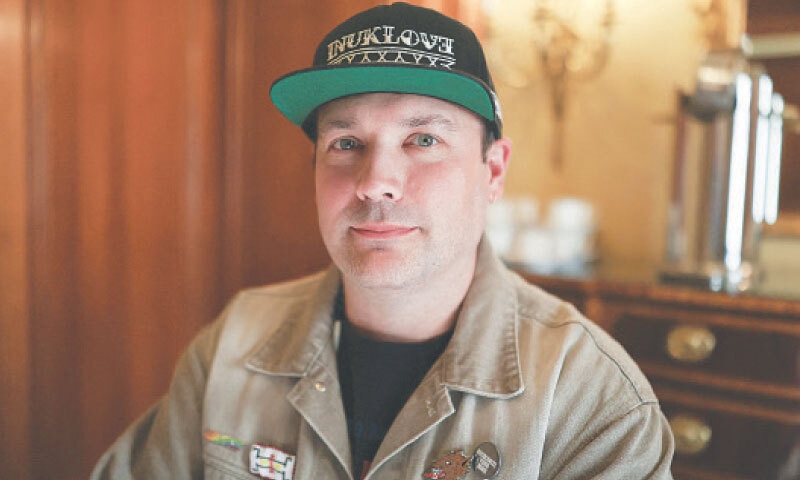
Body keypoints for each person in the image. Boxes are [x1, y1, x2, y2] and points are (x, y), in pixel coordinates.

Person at [91, 3, 674, 479]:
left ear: (493, 171)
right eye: (346, 143)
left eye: (422, 139)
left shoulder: (590, 403)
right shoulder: (233, 346)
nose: (375, 182)